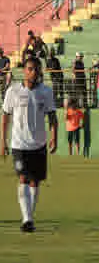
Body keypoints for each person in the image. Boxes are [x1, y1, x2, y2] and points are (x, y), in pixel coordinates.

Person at [1, 57, 58, 233]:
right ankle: (26, 219)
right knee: (23, 178)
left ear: (40, 72)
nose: (32, 72)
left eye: (36, 69)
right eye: (29, 69)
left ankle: (29, 218)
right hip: (19, 144)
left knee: (35, 182)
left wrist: (54, 137)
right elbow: (5, 117)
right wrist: (2, 141)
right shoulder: (13, 91)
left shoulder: (45, 92)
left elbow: (53, 117)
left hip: (38, 144)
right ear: (24, 70)